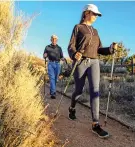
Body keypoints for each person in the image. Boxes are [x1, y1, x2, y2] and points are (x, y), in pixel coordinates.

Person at [67, 4, 118, 138]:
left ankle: (95, 124)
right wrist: (74, 53)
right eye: (94, 14)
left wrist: (110, 49)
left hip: (94, 62)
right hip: (81, 62)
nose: (96, 16)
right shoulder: (78, 28)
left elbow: (99, 49)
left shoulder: (95, 31)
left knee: (95, 91)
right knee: (78, 90)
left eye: (97, 15)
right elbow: (71, 46)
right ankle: (72, 107)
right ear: (87, 13)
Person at [43, 35, 64, 99]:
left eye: (55, 39)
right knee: (52, 78)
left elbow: (61, 56)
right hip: (50, 64)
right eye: (53, 39)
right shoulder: (47, 47)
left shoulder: (59, 48)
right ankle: (53, 93)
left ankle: (52, 90)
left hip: (58, 64)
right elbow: (44, 56)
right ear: (51, 40)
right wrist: (45, 55)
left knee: (55, 79)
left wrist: (63, 59)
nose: (54, 40)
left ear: (57, 40)